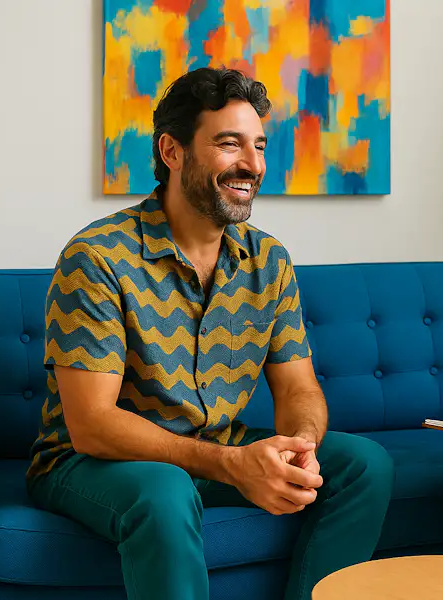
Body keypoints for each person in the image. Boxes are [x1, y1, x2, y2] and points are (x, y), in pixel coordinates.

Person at [26, 67, 394, 600]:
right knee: (163, 487)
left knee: (364, 465)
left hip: (215, 448)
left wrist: (301, 449)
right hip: (92, 463)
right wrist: (232, 465)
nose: (252, 164)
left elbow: (297, 388)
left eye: (259, 146)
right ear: (172, 152)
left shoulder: (269, 259)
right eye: (229, 144)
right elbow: (92, 425)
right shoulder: (99, 257)